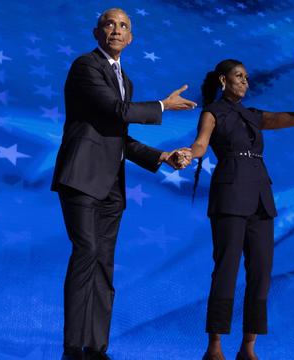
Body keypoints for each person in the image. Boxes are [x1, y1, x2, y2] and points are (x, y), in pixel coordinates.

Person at [50, 8, 196, 360]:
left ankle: (97, 348)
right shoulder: (86, 67)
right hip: (82, 179)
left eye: (124, 26)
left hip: (112, 188)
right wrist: (163, 105)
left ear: (130, 39)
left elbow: (119, 137)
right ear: (97, 32)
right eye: (110, 24)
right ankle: (73, 349)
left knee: (104, 264)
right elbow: (116, 112)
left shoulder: (124, 79)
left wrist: (161, 156)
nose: (117, 30)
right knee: (86, 253)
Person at [185, 47, 294, 360]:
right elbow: (200, 145)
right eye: (239, 76)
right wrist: (186, 154)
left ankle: (248, 347)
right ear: (223, 80)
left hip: (261, 200)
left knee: (261, 272)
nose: (245, 82)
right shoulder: (212, 112)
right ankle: (215, 346)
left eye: (247, 77)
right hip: (230, 197)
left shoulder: (253, 115)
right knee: (226, 271)